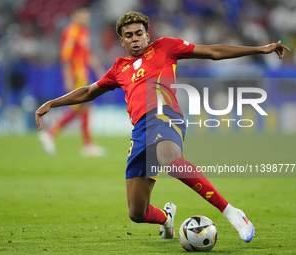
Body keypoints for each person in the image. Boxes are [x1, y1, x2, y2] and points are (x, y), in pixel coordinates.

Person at [35, 11, 290, 242]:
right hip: (140, 132)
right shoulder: (119, 68)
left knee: (171, 160)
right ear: (122, 41)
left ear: (148, 34)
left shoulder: (166, 47)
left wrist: (261, 49)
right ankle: (166, 219)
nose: (135, 39)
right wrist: (52, 103)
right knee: (137, 212)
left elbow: (213, 52)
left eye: (139, 33)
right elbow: (89, 91)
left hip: (166, 115)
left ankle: (232, 212)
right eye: (128, 36)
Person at [38, 5, 106, 157]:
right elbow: (66, 57)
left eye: (87, 15)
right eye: (83, 15)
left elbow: (87, 54)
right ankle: (51, 133)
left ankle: (86, 144)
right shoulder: (71, 31)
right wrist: (68, 77)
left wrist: (99, 69)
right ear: (75, 15)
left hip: (83, 75)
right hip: (76, 76)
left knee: (83, 108)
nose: (86, 18)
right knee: (80, 107)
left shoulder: (83, 31)